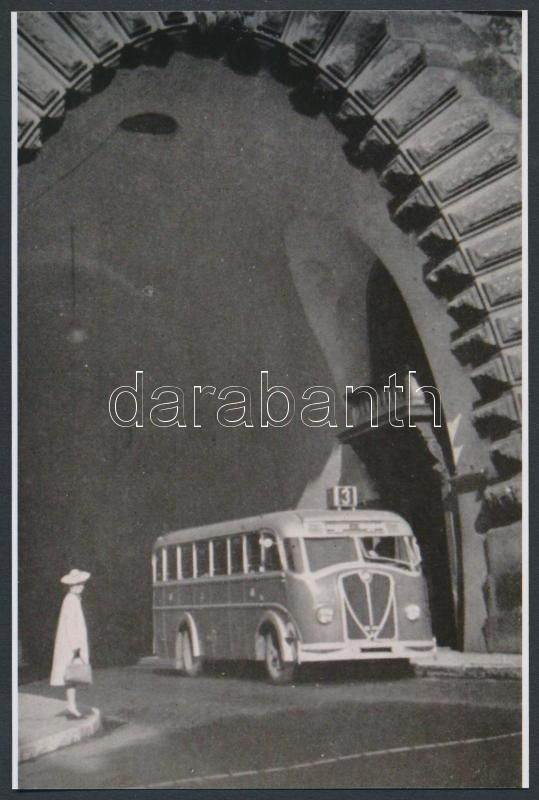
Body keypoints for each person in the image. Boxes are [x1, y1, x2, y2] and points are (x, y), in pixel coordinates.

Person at [50, 568, 91, 718]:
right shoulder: (70, 600)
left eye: (82, 583)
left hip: (71, 644)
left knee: (71, 677)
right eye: (77, 584)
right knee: (71, 675)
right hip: (71, 645)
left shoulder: (73, 599)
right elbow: (69, 624)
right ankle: (71, 705)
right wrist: (75, 647)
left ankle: (71, 705)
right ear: (71, 585)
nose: (80, 586)